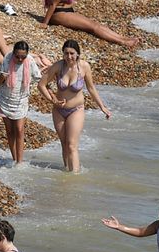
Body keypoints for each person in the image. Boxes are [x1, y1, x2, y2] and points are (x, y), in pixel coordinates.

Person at [38, 39, 109, 172]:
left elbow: (91, 88)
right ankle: (66, 173)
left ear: (78, 54)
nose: (69, 57)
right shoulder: (58, 66)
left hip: (76, 110)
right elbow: (41, 85)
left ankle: (75, 177)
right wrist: (52, 100)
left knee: (71, 145)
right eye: (66, 53)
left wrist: (102, 107)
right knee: (64, 144)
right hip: (59, 110)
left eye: (72, 53)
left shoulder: (84, 67)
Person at [0, 39, 41, 166]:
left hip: (21, 100)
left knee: (19, 130)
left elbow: (38, 78)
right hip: (5, 99)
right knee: (10, 131)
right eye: (17, 56)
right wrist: (3, 77)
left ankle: (19, 162)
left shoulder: (30, 61)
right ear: (13, 53)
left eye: (23, 57)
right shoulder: (7, 59)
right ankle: (14, 159)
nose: (20, 59)